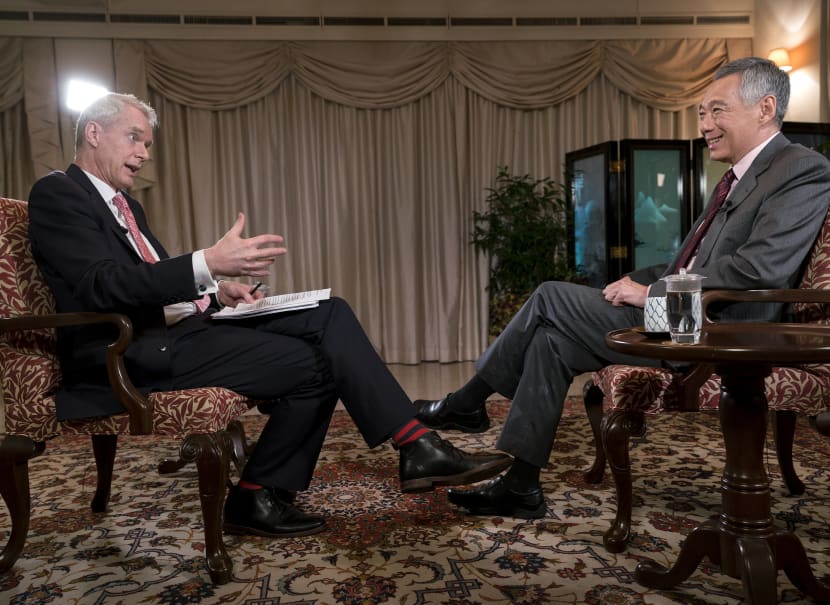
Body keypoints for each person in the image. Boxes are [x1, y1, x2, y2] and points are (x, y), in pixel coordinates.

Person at [27, 92, 512, 538]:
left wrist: (216, 293)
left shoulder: (126, 205)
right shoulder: (58, 194)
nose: (145, 153)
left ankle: (412, 447)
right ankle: (268, 492)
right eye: (135, 138)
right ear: (94, 133)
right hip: (126, 353)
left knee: (329, 311)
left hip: (175, 331)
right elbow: (101, 284)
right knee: (318, 365)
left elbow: (151, 287)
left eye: (149, 143)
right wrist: (206, 263)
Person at [415, 56, 830, 518]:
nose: (705, 125)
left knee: (550, 295)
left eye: (717, 110)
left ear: (766, 107)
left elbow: (760, 270)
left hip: (721, 328)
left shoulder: (799, 168)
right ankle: (520, 486)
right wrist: (642, 278)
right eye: (701, 113)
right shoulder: (738, 176)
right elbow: (694, 261)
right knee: (551, 342)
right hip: (689, 314)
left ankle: (466, 403)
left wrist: (651, 294)